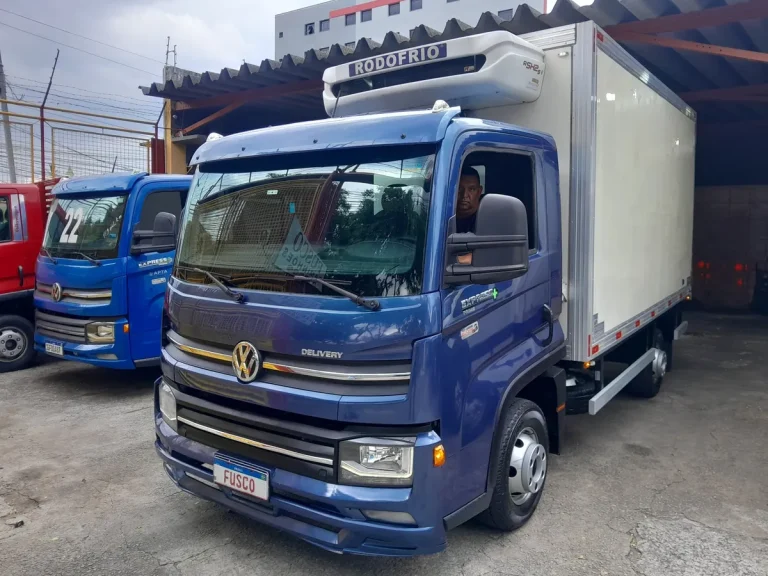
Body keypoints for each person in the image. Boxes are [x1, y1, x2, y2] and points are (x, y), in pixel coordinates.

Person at [456, 166, 483, 234]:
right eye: (459, 189)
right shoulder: (443, 216)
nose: (464, 195)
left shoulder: (486, 219)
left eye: (471, 189)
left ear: (479, 192)